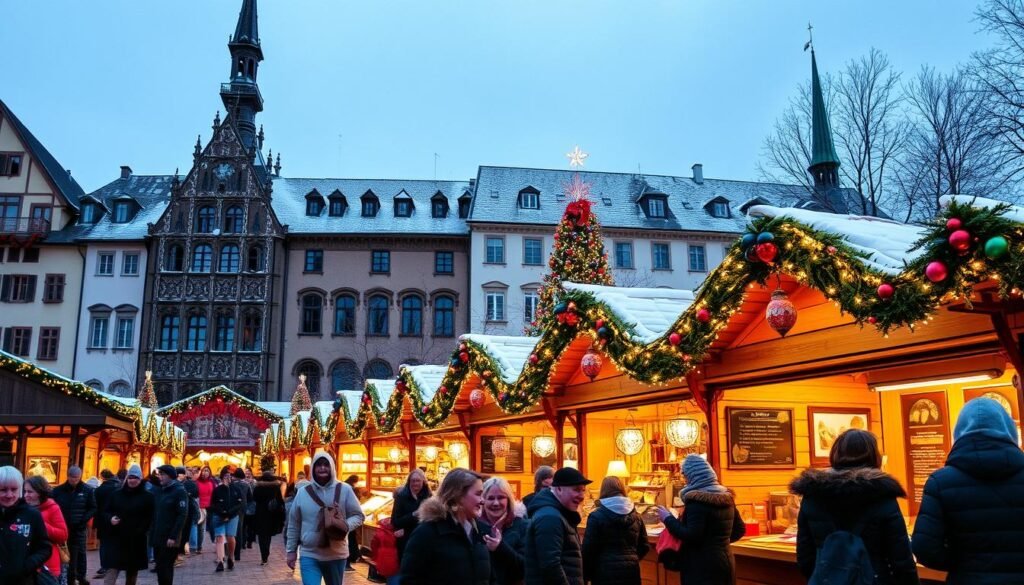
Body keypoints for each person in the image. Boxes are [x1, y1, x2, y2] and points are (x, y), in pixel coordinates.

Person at [913, 397, 1024, 583]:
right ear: (1010, 431)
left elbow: (924, 548)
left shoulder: (940, 482)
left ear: (959, 432)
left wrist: (964, 564)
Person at [791, 430, 918, 585]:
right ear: (874, 456)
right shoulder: (882, 496)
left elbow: (805, 556)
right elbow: (901, 558)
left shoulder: (813, 495)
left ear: (835, 453)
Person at [400, 468, 513, 585]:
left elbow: (489, 578)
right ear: (458, 495)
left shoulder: (481, 530)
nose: (482, 501)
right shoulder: (427, 533)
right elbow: (409, 580)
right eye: (478, 494)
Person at [655, 455, 745, 585]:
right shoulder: (726, 497)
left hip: (700, 566)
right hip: (725, 561)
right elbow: (740, 529)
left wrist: (667, 518)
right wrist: (717, 544)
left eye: (685, 475)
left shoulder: (696, 501)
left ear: (693, 476)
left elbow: (691, 535)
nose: (684, 479)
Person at [286, 451, 364, 585]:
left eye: (326, 464)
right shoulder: (303, 493)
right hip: (309, 554)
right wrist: (291, 551)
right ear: (313, 468)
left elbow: (358, 515)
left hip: (336, 554)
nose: (322, 468)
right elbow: (294, 523)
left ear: (332, 467)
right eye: (319, 465)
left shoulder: (345, 490)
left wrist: (344, 525)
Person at [524, 467, 592, 585]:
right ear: (559, 489)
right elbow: (550, 566)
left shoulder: (558, 513)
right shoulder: (550, 517)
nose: (581, 496)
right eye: (576, 490)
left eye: (583, 490)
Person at [582, 476, 649, 585]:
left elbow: (588, 550)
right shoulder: (637, 516)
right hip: (631, 572)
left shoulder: (596, 516)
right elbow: (645, 546)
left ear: (603, 491)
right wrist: (631, 558)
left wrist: (586, 575)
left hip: (603, 572)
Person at [103, 464, 155, 585]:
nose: (132, 480)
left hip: (136, 539)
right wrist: (110, 518)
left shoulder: (148, 497)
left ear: (140, 479)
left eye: (135, 478)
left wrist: (142, 530)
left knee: (132, 571)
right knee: (112, 568)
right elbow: (105, 511)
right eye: (130, 477)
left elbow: (150, 517)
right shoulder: (116, 494)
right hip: (117, 537)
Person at [0, 466, 52, 585]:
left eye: (14, 489)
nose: (9, 495)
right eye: (3, 490)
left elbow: (45, 548)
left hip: (23, 580)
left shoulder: (31, 514)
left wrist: (27, 566)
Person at [53, 465, 97, 585]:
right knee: (64, 553)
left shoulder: (87, 490)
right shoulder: (58, 491)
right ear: (68, 476)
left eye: (77, 478)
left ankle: (81, 577)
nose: (74, 481)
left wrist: (83, 520)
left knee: (81, 553)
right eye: (72, 478)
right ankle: (68, 577)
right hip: (63, 527)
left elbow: (93, 507)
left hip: (79, 527)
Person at [482, 476, 529, 585]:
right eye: (490, 498)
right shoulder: (475, 525)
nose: (496, 503)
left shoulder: (523, 526)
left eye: (501, 497)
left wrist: (500, 547)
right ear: (482, 500)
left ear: (509, 500)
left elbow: (525, 566)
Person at [389, 468, 431, 584]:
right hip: (405, 541)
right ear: (409, 482)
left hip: (424, 540)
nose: (415, 484)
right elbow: (395, 521)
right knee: (407, 571)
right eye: (413, 481)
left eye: (418, 481)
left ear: (423, 482)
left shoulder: (428, 497)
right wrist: (413, 515)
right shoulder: (401, 497)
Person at [25, 475, 68, 585]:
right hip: (27, 563)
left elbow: (63, 535)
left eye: (30, 492)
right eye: (25, 491)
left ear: (39, 492)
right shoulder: (23, 508)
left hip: (47, 564)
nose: (26, 495)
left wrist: (40, 524)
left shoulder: (52, 508)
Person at [150, 465, 188, 585]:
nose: (159, 477)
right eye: (159, 474)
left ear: (170, 476)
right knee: (160, 567)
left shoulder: (179, 491)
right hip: (157, 536)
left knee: (166, 567)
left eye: (162, 474)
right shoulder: (158, 490)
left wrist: (173, 536)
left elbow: (182, 515)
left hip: (170, 538)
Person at [210, 466, 242, 572]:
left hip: (232, 516)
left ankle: (231, 557)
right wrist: (222, 513)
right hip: (219, 516)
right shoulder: (217, 490)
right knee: (219, 537)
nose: (228, 478)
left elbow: (239, 504)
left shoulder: (236, 489)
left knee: (230, 537)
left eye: (230, 476)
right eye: (225, 476)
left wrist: (229, 513)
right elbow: (213, 504)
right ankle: (220, 561)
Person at [252, 465, 285, 565]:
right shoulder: (275, 486)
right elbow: (280, 500)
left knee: (262, 536)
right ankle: (267, 552)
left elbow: (254, 498)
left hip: (260, 513)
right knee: (268, 535)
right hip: (272, 514)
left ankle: (264, 556)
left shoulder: (258, 487)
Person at [92, 469, 120, 580]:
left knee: (103, 544)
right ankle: (113, 563)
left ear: (102, 477)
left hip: (102, 520)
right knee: (114, 543)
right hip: (115, 519)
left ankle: (104, 565)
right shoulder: (118, 488)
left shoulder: (99, 490)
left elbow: (95, 506)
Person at [176, 467, 198, 564]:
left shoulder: (190, 483)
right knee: (178, 533)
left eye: (180, 473)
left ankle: (179, 552)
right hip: (176, 512)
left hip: (188, 511)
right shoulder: (173, 484)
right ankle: (176, 554)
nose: (179, 476)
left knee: (185, 533)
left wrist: (187, 494)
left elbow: (196, 493)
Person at [342, 475, 363, 570]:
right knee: (349, 541)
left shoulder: (344, 487)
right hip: (347, 521)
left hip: (346, 521)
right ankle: (348, 561)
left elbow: (359, 515)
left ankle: (348, 561)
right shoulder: (349, 489)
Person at [231, 468, 251, 562]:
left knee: (234, 529)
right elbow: (250, 497)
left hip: (234, 507)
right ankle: (240, 549)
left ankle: (234, 550)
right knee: (241, 528)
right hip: (243, 508)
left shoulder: (232, 485)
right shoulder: (246, 485)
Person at [194, 465, 215, 553]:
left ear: (210, 472)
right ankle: (198, 546)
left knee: (212, 527)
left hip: (210, 507)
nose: (205, 472)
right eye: (203, 470)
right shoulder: (196, 482)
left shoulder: (212, 482)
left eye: (207, 470)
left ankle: (217, 544)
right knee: (201, 528)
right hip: (200, 507)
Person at [243, 468, 257, 549]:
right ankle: (244, 541)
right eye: (245, 472)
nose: (247, 474)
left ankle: (250, 541)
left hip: (252, 507)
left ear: (251, 473)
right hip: (244, 506)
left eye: (248, 472)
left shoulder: (255, 482)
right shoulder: (242, 482)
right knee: (244, 525)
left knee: (251, 526)